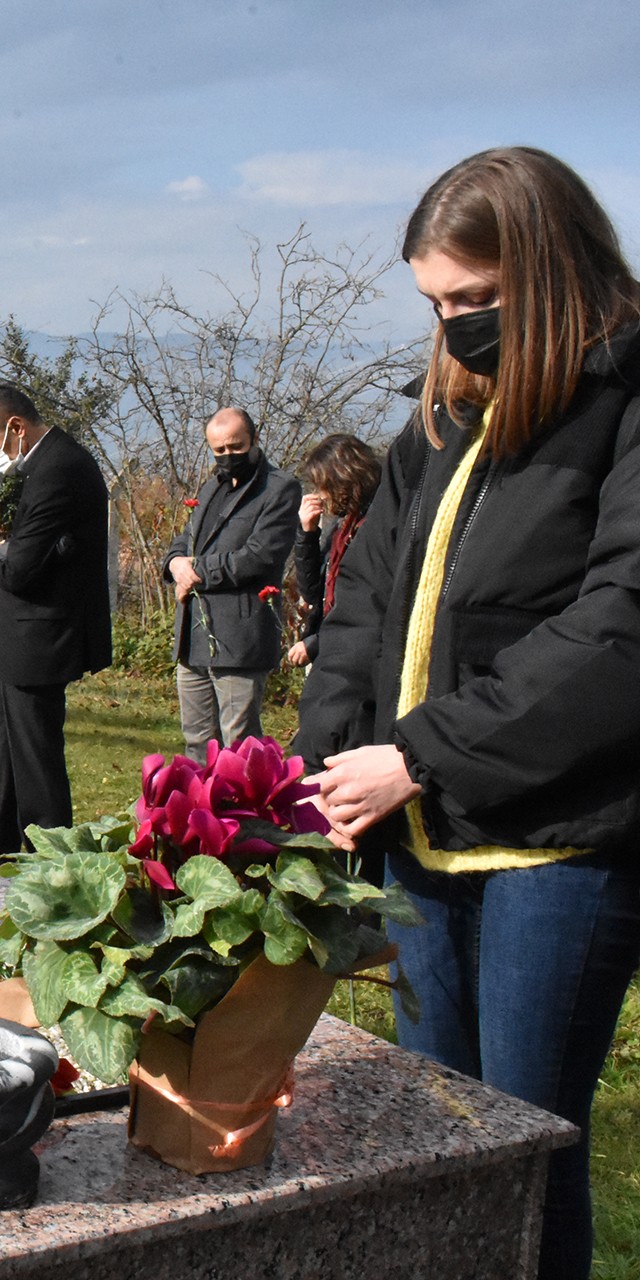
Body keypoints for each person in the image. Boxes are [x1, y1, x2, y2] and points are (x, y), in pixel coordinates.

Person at [296, 147, 640, 1280]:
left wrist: (419, 750)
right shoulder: (444, 425)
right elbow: (364, 607)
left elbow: (617, 631)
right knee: (437, 1141)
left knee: (522, 1147)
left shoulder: (624, 402)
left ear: (547, 271)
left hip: (556, 850)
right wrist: (321, 764)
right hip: (422, 845)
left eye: (476, 301)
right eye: (438, 304)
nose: (455, 326)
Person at [0, 384, 111, 862]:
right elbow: (34, 545)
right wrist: (6, 552)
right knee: (11, 743)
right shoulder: (51, 463)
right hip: (28, 631)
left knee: (36, 751)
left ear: (15, 428)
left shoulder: (57, 470)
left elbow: (25, 566)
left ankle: (52, 852)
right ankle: (2, 841)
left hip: (43, 631)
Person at [161, 406, 300, 763]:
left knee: (239, 748)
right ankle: (197, 818)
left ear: (254, 440)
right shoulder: (211, 487)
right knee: (196, 744)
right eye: (219, 450)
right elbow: (185, 540)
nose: (227, 456)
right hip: (193, 637)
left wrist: (198, 572)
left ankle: (246, 819)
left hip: (240, 640)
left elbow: (260, 556)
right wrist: (175, 563)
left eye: (236, 448)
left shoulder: (279, 488)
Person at [286, 432, 381, 670]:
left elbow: (364, 605)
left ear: (345, 479)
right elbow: (311, 592)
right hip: (333, 648)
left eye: (323, 486)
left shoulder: (373, 527)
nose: (320, 495)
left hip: (356, 654)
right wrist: (307, 535)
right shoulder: (341, 528)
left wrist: (316, 643)